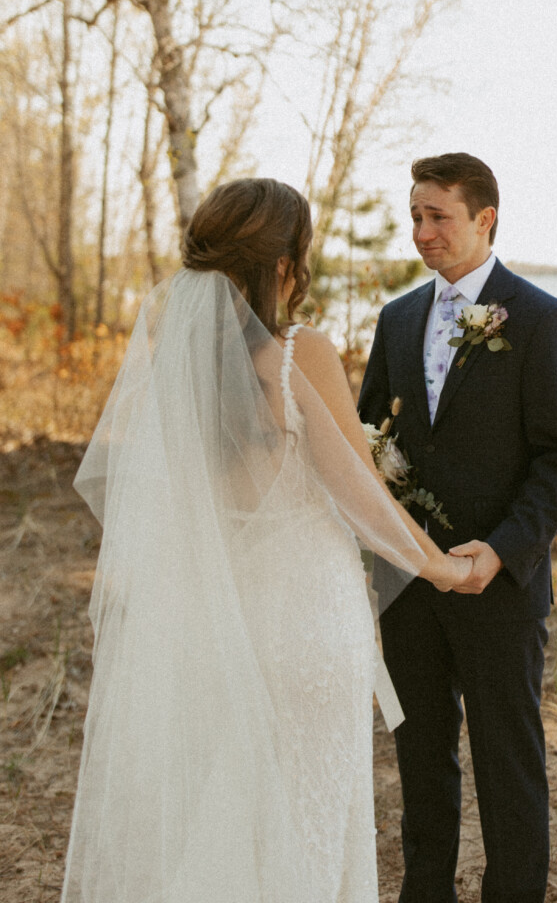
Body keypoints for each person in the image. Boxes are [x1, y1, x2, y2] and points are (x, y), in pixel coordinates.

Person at [60, 177, 471, 903]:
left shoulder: (180, 367)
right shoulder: (298, 353)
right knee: (311, 818)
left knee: (239, 811)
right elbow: (361, 497)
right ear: (283, 264)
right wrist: (440, 567)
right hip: (310, 626)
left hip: (229, 623)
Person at [358, 152, 557, 903]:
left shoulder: (544, 321)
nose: (421, 231)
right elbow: (365, 438)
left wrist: (499, 550)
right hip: (406, 582)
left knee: (506, 762)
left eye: (437, 216)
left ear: (483, 218)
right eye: (414, 215)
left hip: (497, 584)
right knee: (420, 755)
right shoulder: (396, 320)